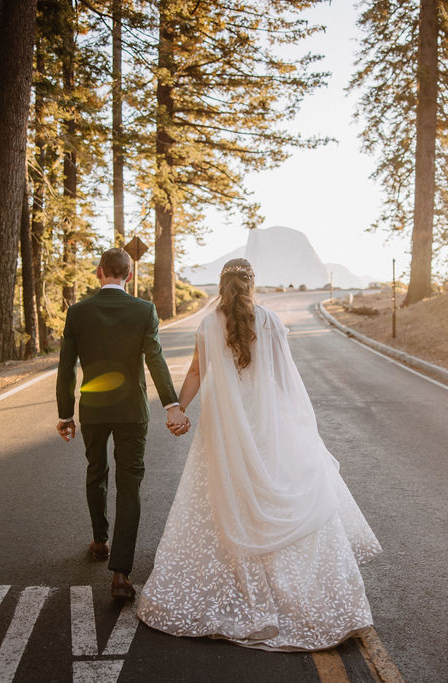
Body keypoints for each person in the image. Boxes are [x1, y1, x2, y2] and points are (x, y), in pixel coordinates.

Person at [137, 258, 381, 651]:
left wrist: (179, 409)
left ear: (221, 285)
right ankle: (291, 584)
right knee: (273, 494)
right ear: (252, 285)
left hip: (226, 427)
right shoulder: (269, 322)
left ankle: (245, 581)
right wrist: (298, 425)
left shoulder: (208, 324)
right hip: (267, 425)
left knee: (232, 497)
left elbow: (197, 372)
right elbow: (286, 380)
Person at [55, 247, 190, 602]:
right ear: (128, 276)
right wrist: (171, 404)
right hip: (132, 411)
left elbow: (67, 366)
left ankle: (100, 541)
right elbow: (155, 360)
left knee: (96, 471)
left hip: (94, 410)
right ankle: (120, 573)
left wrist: (65, 413)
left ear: (100, 272)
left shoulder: (78, 312)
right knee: (130, 484)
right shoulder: (143, 310)